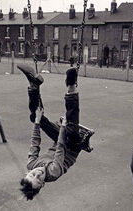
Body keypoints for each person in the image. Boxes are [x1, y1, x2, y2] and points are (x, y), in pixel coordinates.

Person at [17, 64, 93, 200]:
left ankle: (34, 85)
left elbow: (35, 143)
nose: (37, 173)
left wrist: (37, 122)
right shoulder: (53, 172)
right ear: (42, 185)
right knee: (71, 131)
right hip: (72, 147)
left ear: (27, 172)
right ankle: (71, 87)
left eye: (32, 174)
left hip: (59, 140)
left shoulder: (31, 165)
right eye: (39, 179)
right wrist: (63, 127)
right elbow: (60, 148)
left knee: (34, 116)